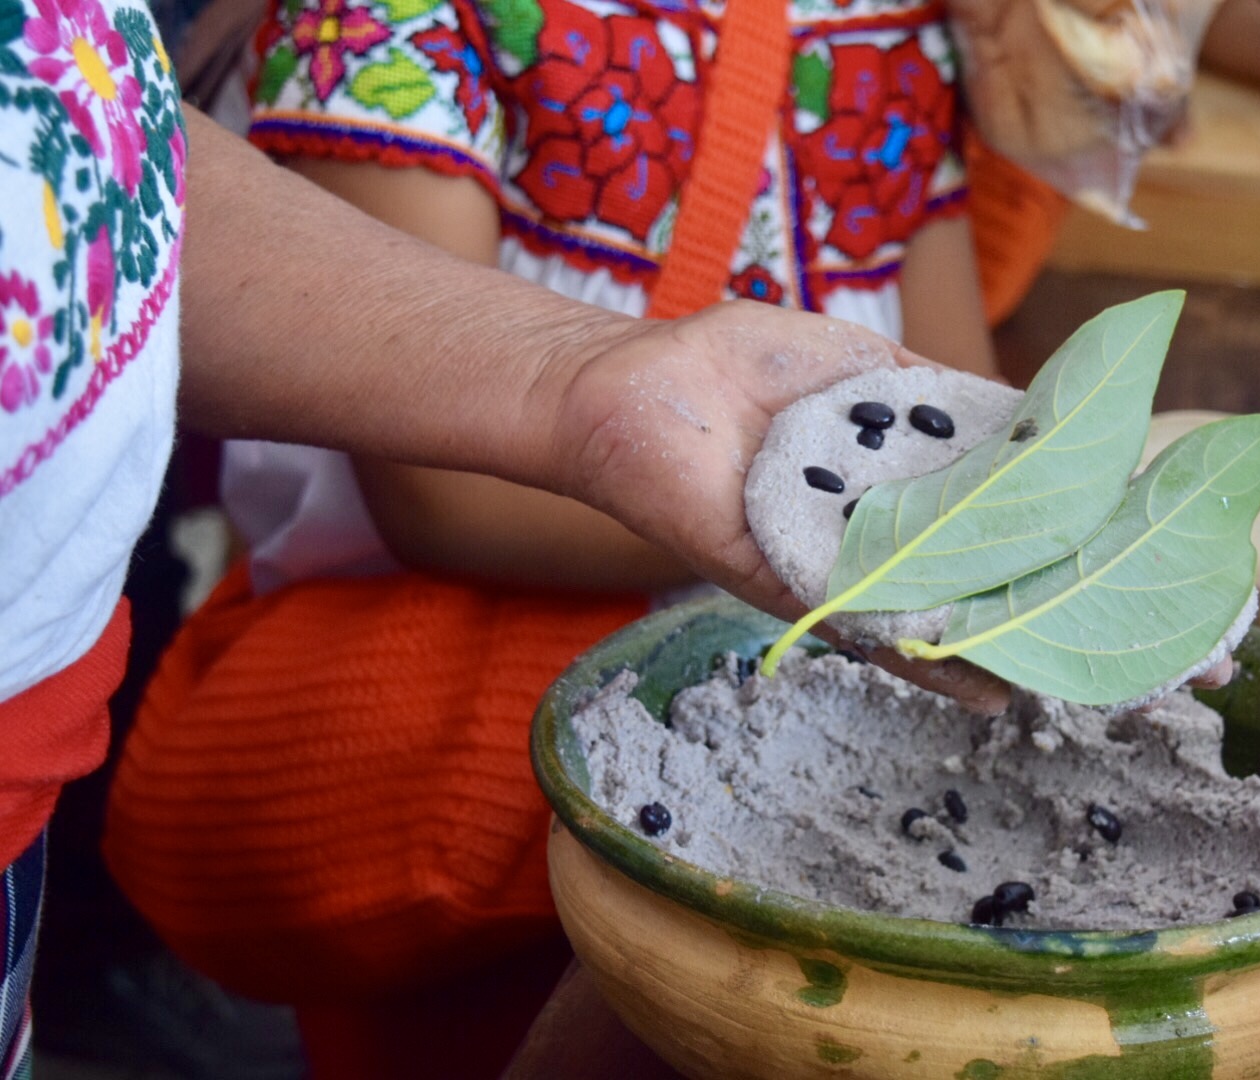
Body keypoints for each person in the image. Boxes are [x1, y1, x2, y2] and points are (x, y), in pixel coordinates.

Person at [0, 11, 993, 1064]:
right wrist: (811, 529)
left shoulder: (894, 35)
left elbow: (946, 391)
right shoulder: (402, 23)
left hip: (769, 719)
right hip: (445, 751)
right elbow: (441, 504)